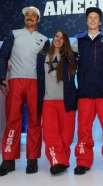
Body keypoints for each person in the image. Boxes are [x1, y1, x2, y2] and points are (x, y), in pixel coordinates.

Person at [0, 6, 50, 176]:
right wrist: (2, 79)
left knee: (34, 121)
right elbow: (3, 56)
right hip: (15, 81)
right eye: (27, 15)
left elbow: (46, 66)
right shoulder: (13, 34)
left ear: (38, 19)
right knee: (13, 120)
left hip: (35, 83)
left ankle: (32, 160)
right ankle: (8, 160)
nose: (30, 17)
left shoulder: (44, 39)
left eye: (33, 15)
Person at [71, 7, 103, 175]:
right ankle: (83, 161)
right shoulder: (78, 40)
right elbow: (71, 60)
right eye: (90, 17)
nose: (93, 20)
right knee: (84, 130)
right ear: (86, 21)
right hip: (85, 91)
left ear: (100, 21)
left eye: (96, 18)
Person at [37, 30, 77, 175]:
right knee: (50, 133)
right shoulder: (42, 56)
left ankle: (63, 160)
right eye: (56, 36)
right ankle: (56, 161)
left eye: (62, 38)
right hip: (48, 101)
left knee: (67, 134)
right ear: (53, 38)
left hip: (68, 101)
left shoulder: (71, 57)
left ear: (66, 41)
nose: (58, 39)